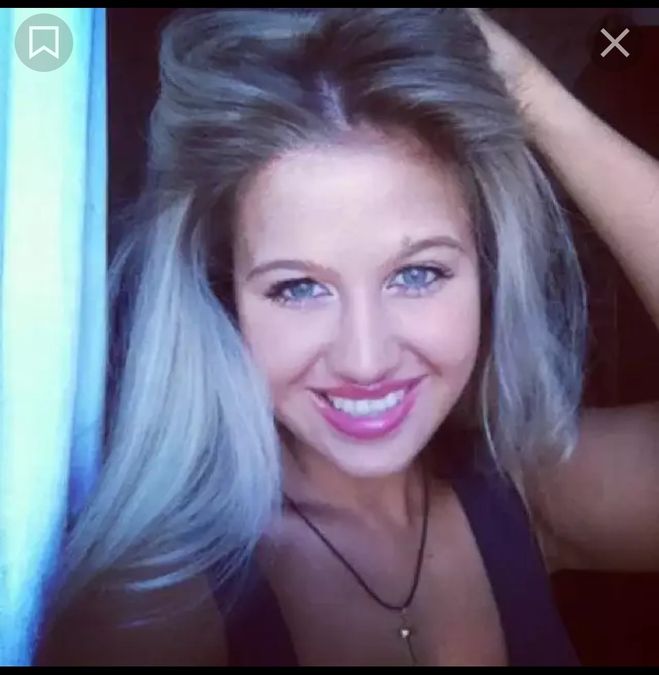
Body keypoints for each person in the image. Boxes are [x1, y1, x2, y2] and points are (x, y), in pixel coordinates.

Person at [35, 8, 659, 666]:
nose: (366, 360)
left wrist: (525, 89)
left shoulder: (522, 494)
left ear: (486, 272)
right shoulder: (152, 614)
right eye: (298, 287)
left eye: (417, 274)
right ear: (225, 298)